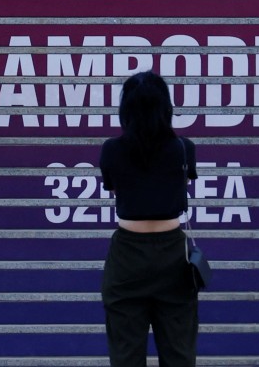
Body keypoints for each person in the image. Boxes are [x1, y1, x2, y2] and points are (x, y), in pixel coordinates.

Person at [99, 71, 199, 366]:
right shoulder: (184, 148)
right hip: (173, 253)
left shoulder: (112, 150)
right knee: (179, 354)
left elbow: (114, 185)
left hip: (127, 254)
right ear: (165, 107)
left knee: (125, 356)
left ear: (126, 109)